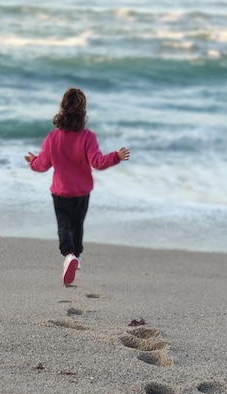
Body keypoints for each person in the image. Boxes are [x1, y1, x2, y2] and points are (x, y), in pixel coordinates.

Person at [25, 87, 130, 285]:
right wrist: (116, 156)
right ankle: (77, 256)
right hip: (82, 192)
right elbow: (97, 162)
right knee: (77, 224)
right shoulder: (87, 137)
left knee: (64, 226)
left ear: (62, 109)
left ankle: (69, 255)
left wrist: (33, 161)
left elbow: (43, 165)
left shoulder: (53, 138)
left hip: (61, 191)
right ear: (83, 112)